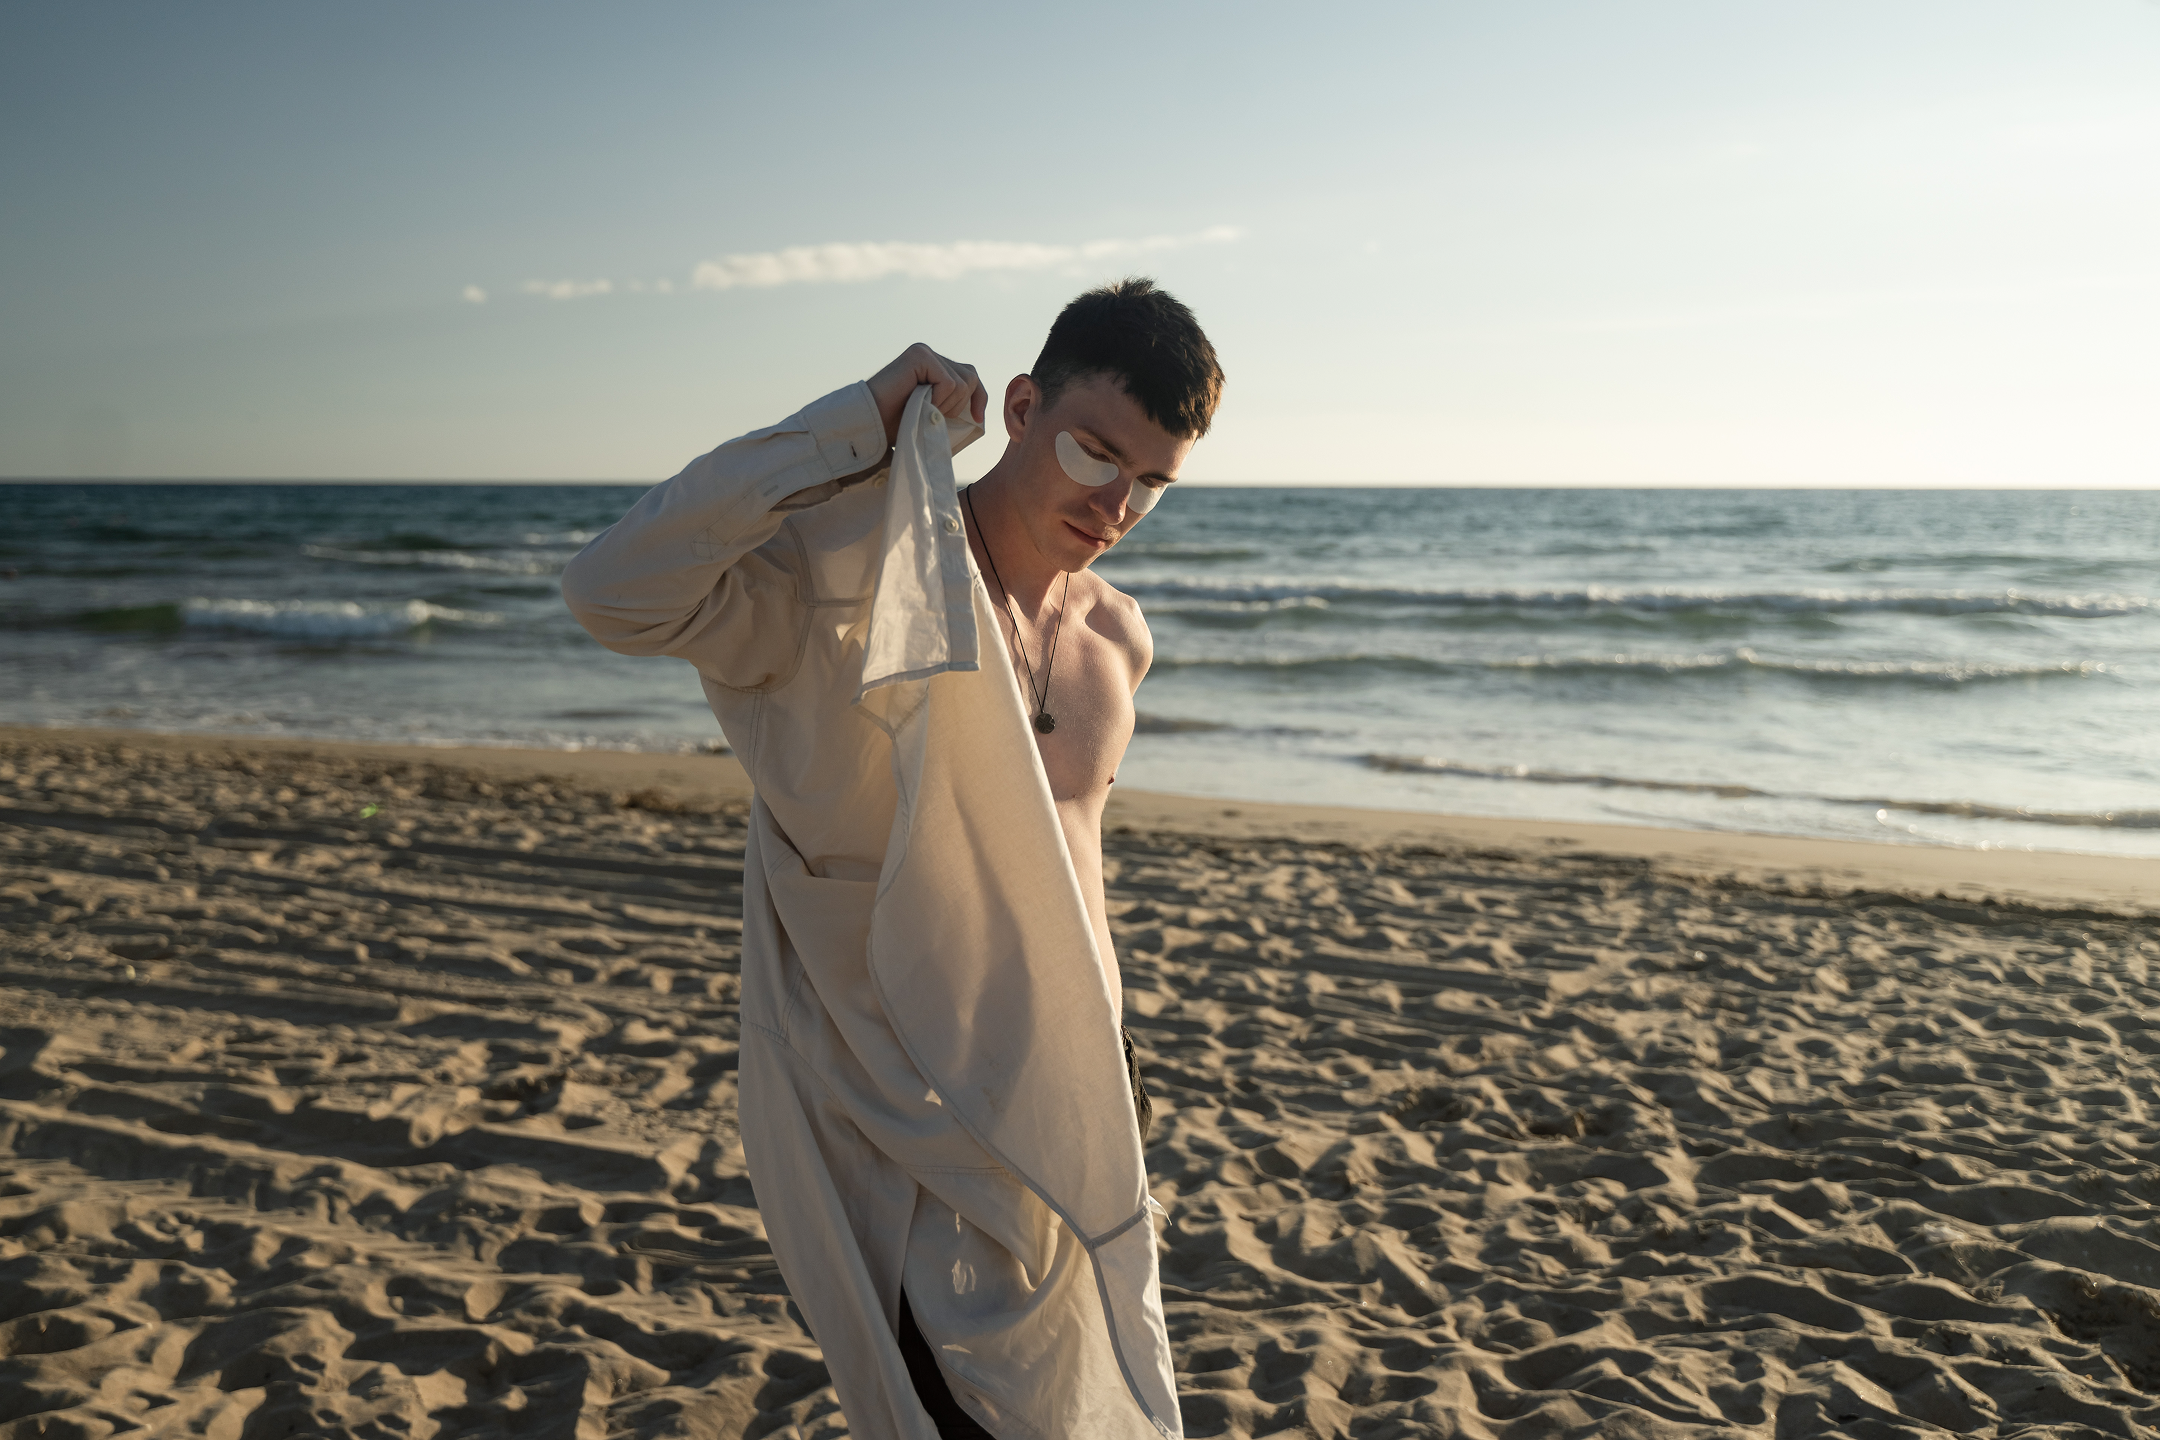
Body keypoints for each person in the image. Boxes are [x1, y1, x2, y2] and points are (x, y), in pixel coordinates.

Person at [562, 278, 1223, 1440]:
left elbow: (1067, 860)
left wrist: (1112, 1054)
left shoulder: (1116, 636)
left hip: (1070, 1079)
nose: (1116, 503)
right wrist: (851, 424)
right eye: (1094, 453)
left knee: (1088, 1399)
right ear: (1021, 407)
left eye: (1152, 482)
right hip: (890, 1095)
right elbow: (614, 590)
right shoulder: (849, 584)